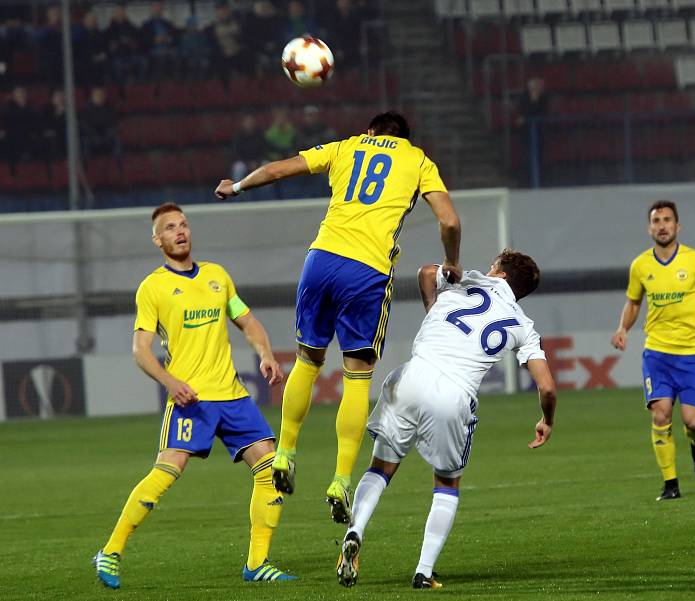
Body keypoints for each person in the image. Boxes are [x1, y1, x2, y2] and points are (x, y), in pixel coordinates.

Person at [214, 111, 462, 525]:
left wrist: (236, 185)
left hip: (321, 259)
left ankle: (285, 453)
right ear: (403, 137)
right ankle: (340, 481)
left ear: (371, 132)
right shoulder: (418, 160)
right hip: (366, 270)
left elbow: (278, 169)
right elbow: (450, 220)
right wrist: (451, 261)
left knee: (308, 361)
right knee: (356, 376)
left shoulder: (346, 146)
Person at [93, 203, 296, 589]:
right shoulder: (153, 288)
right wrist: (170, 383)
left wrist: (266, 354)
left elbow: (246, 320)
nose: (180, 231)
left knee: (270, 468)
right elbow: (141, 350)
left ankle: (257, 562)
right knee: (166, 472)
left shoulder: (218, 277)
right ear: (158, 240)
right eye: (170, 228)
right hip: (192, 399)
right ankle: (111, 550)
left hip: (233, 395)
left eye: (183, 224)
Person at [335, 250, 557, 589]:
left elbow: (425, 271)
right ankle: (423, 572)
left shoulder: (467, 281)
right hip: (453, 395)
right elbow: (548, 388)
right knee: (446, 485)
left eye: (493, 264)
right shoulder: (523, 326)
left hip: (412, 375)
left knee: (379, 469)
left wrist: (433, 308)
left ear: (500, 272)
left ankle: (355, 530)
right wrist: (546, 419)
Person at [611, 200, 695, 501]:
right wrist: (623, 328)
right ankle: (670, 484)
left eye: (667, 220)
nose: (661, 225)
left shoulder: (694, 261)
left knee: (692, 421)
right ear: (650, 228)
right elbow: (634, 302)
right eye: (656, 220)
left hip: (691, 355)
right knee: (660, 415)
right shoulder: (640, 266)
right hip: (657, 354)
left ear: (677, 226)